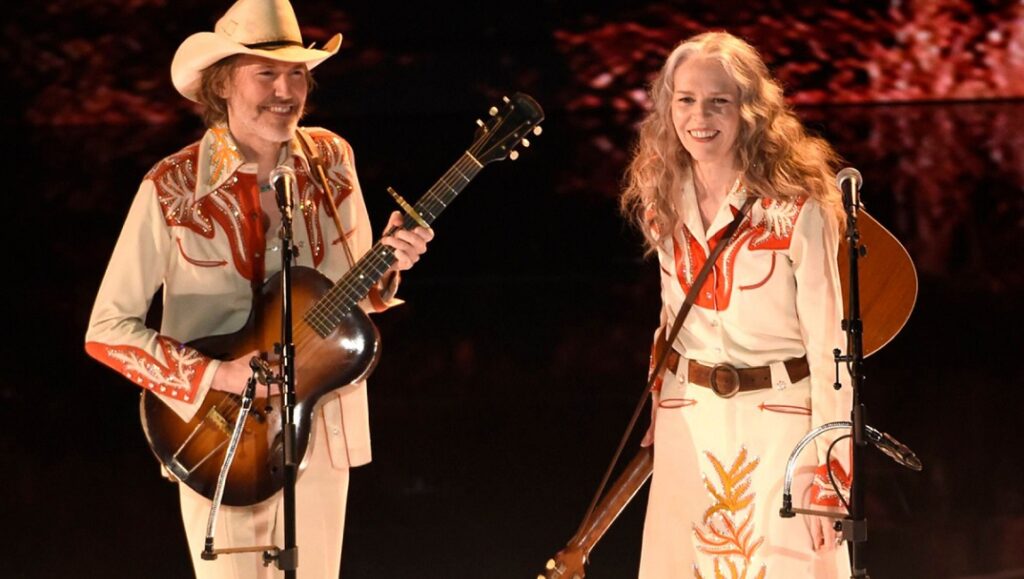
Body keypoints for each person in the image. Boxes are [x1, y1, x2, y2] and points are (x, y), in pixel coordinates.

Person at [84, 0, 433, 576]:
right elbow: (107, 331)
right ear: (222, 84)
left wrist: (389, 263)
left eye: (297, 73)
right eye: (266, 73)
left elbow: (352, 299)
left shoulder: (332, 159)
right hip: (218, 438)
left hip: (320, 430)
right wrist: (218, 375)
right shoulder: (171, 186)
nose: (285, 90)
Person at [621, 31, 853, 577]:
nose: (699, 117)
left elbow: (831, 348)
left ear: (749, 109)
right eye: (686, 99)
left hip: (781, 430)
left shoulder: (796, 204)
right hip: (688, 423)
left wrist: (828, 471)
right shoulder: (661, 196)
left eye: (718, 101)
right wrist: (659, 404)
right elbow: (669, 318)